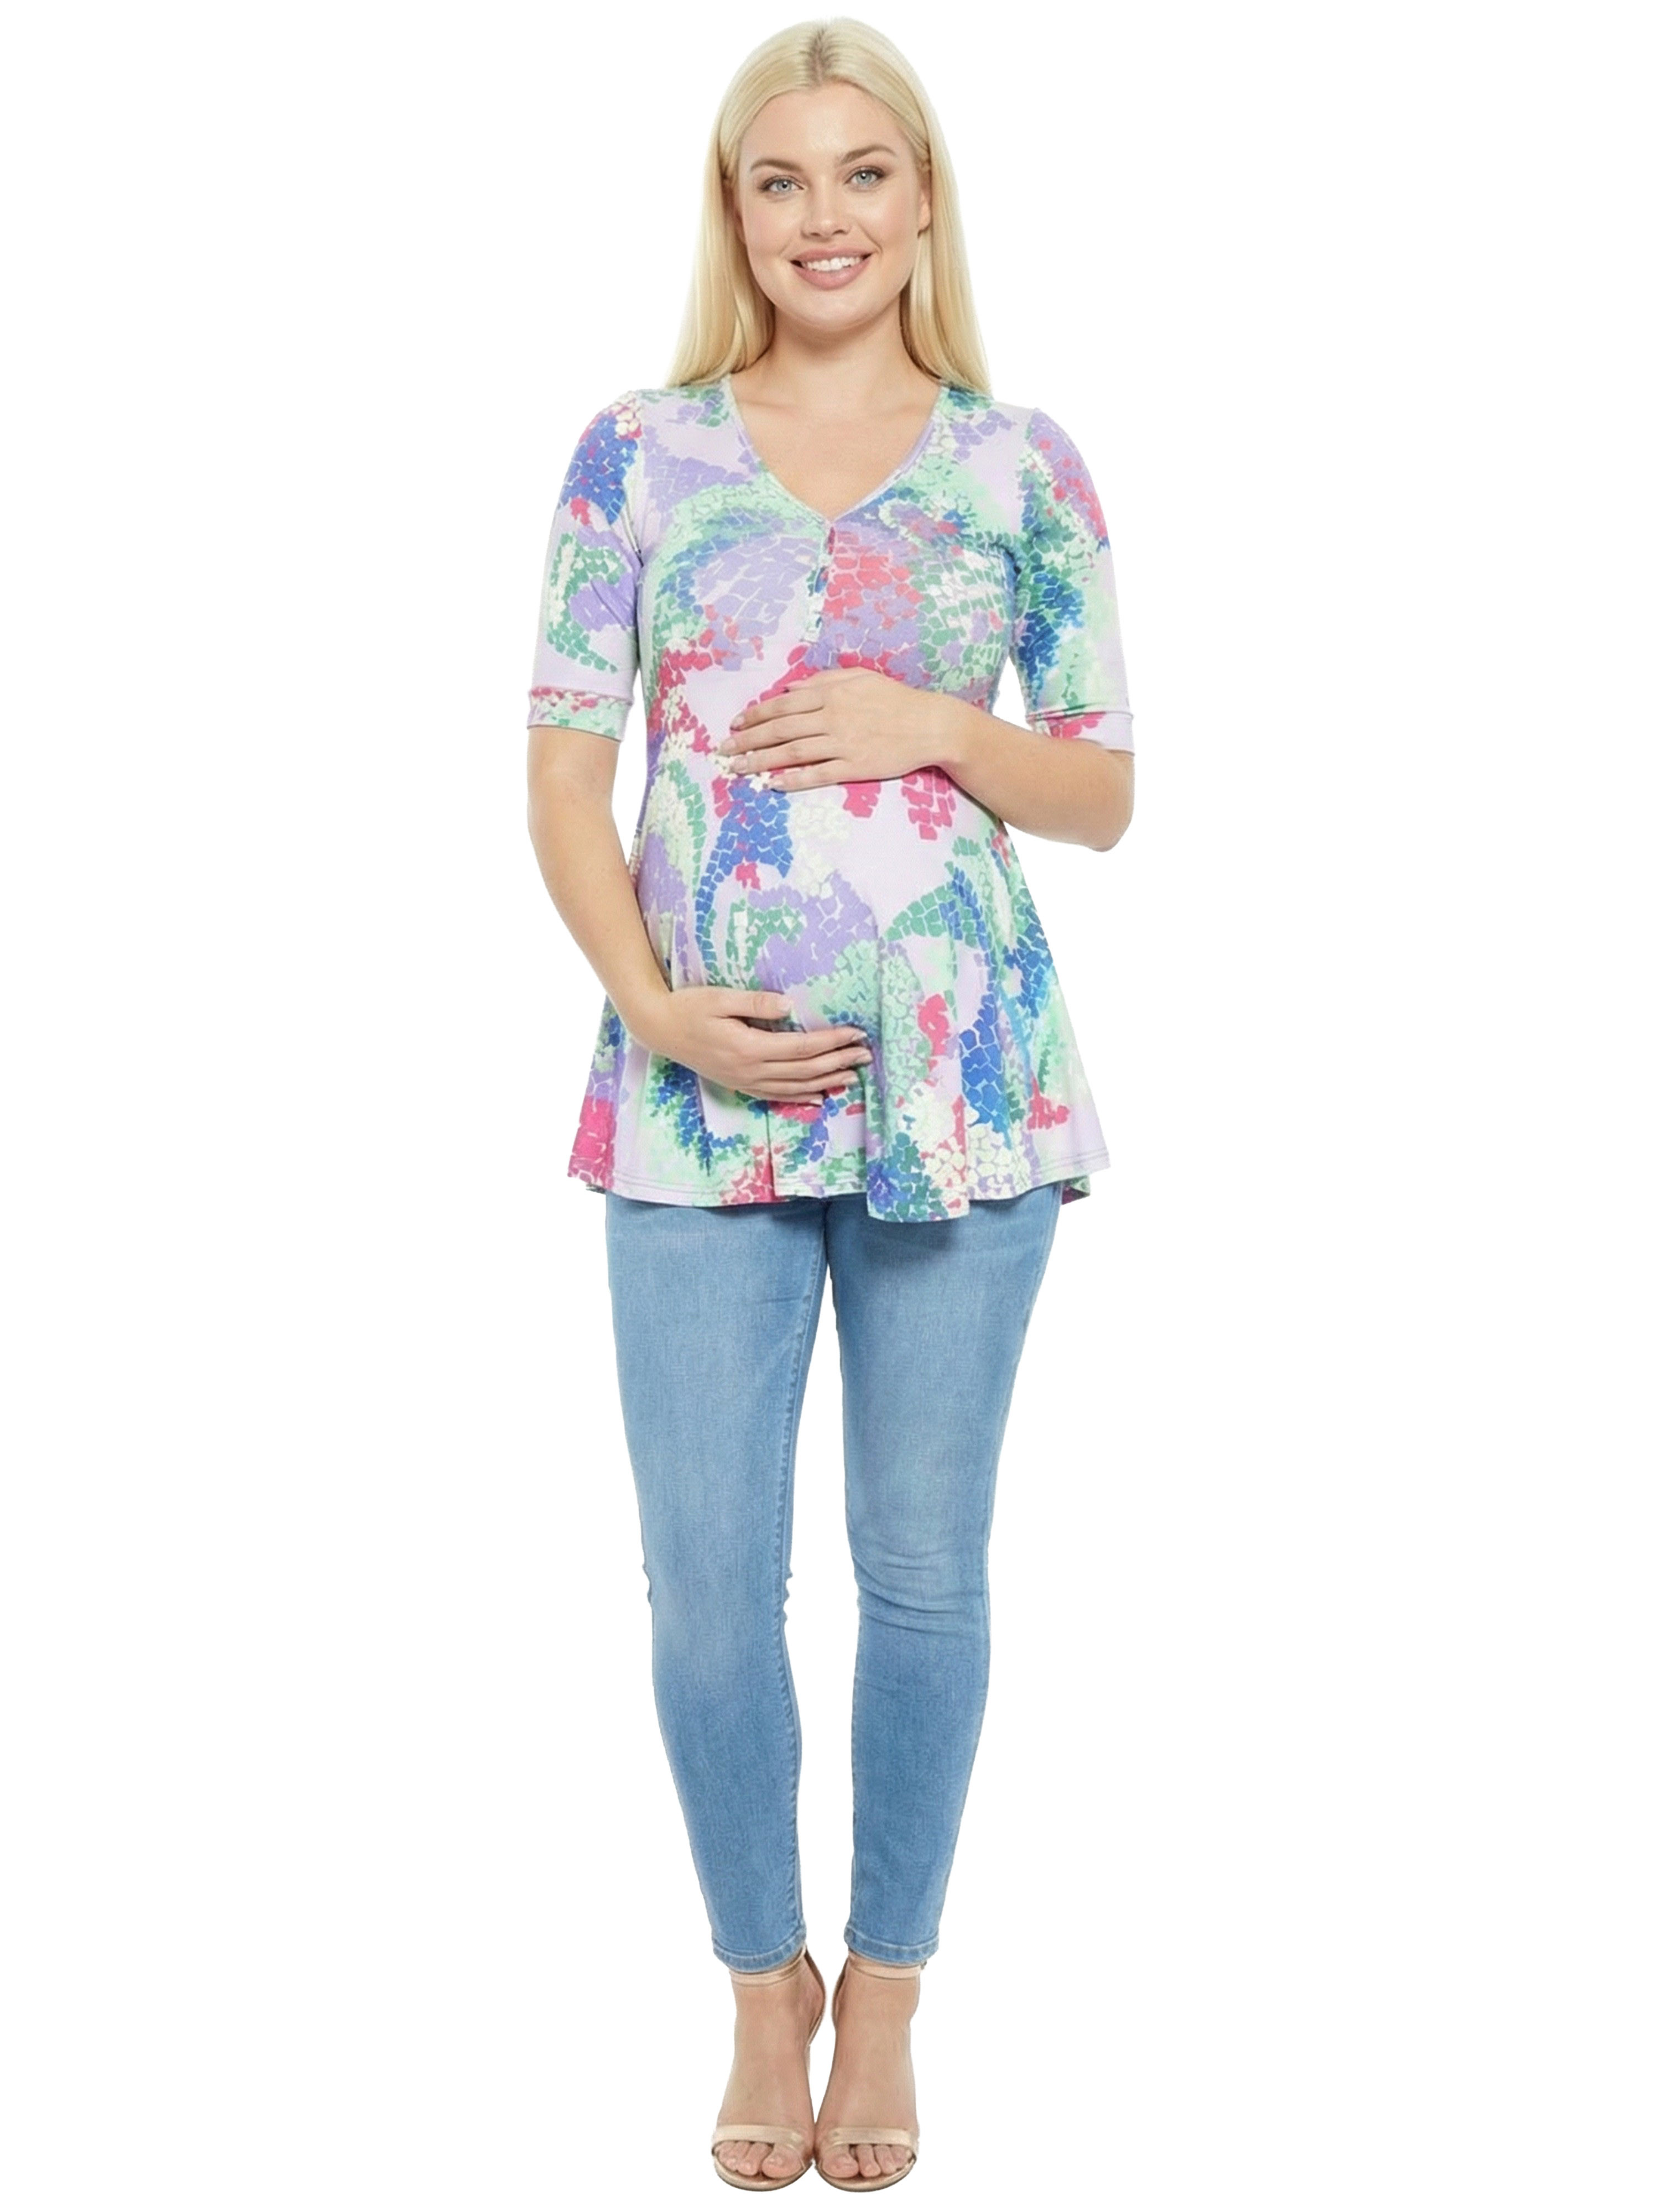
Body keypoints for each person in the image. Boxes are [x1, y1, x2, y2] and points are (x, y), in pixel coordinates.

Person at [523, 17, 1135, 2191]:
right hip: (695, 1101)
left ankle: (885, 1993)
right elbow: (563, 774)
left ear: (925, 202)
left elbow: (1105, 793)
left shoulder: (1021, 463)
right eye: (780, 179)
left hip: (962, 1089)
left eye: (864, 173)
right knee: (706, 1587)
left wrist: (934, 724)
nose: (825, 217)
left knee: (923, 1571)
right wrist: (654, 1011)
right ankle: (754, 1980)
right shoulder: (635, 452)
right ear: (735, 212)